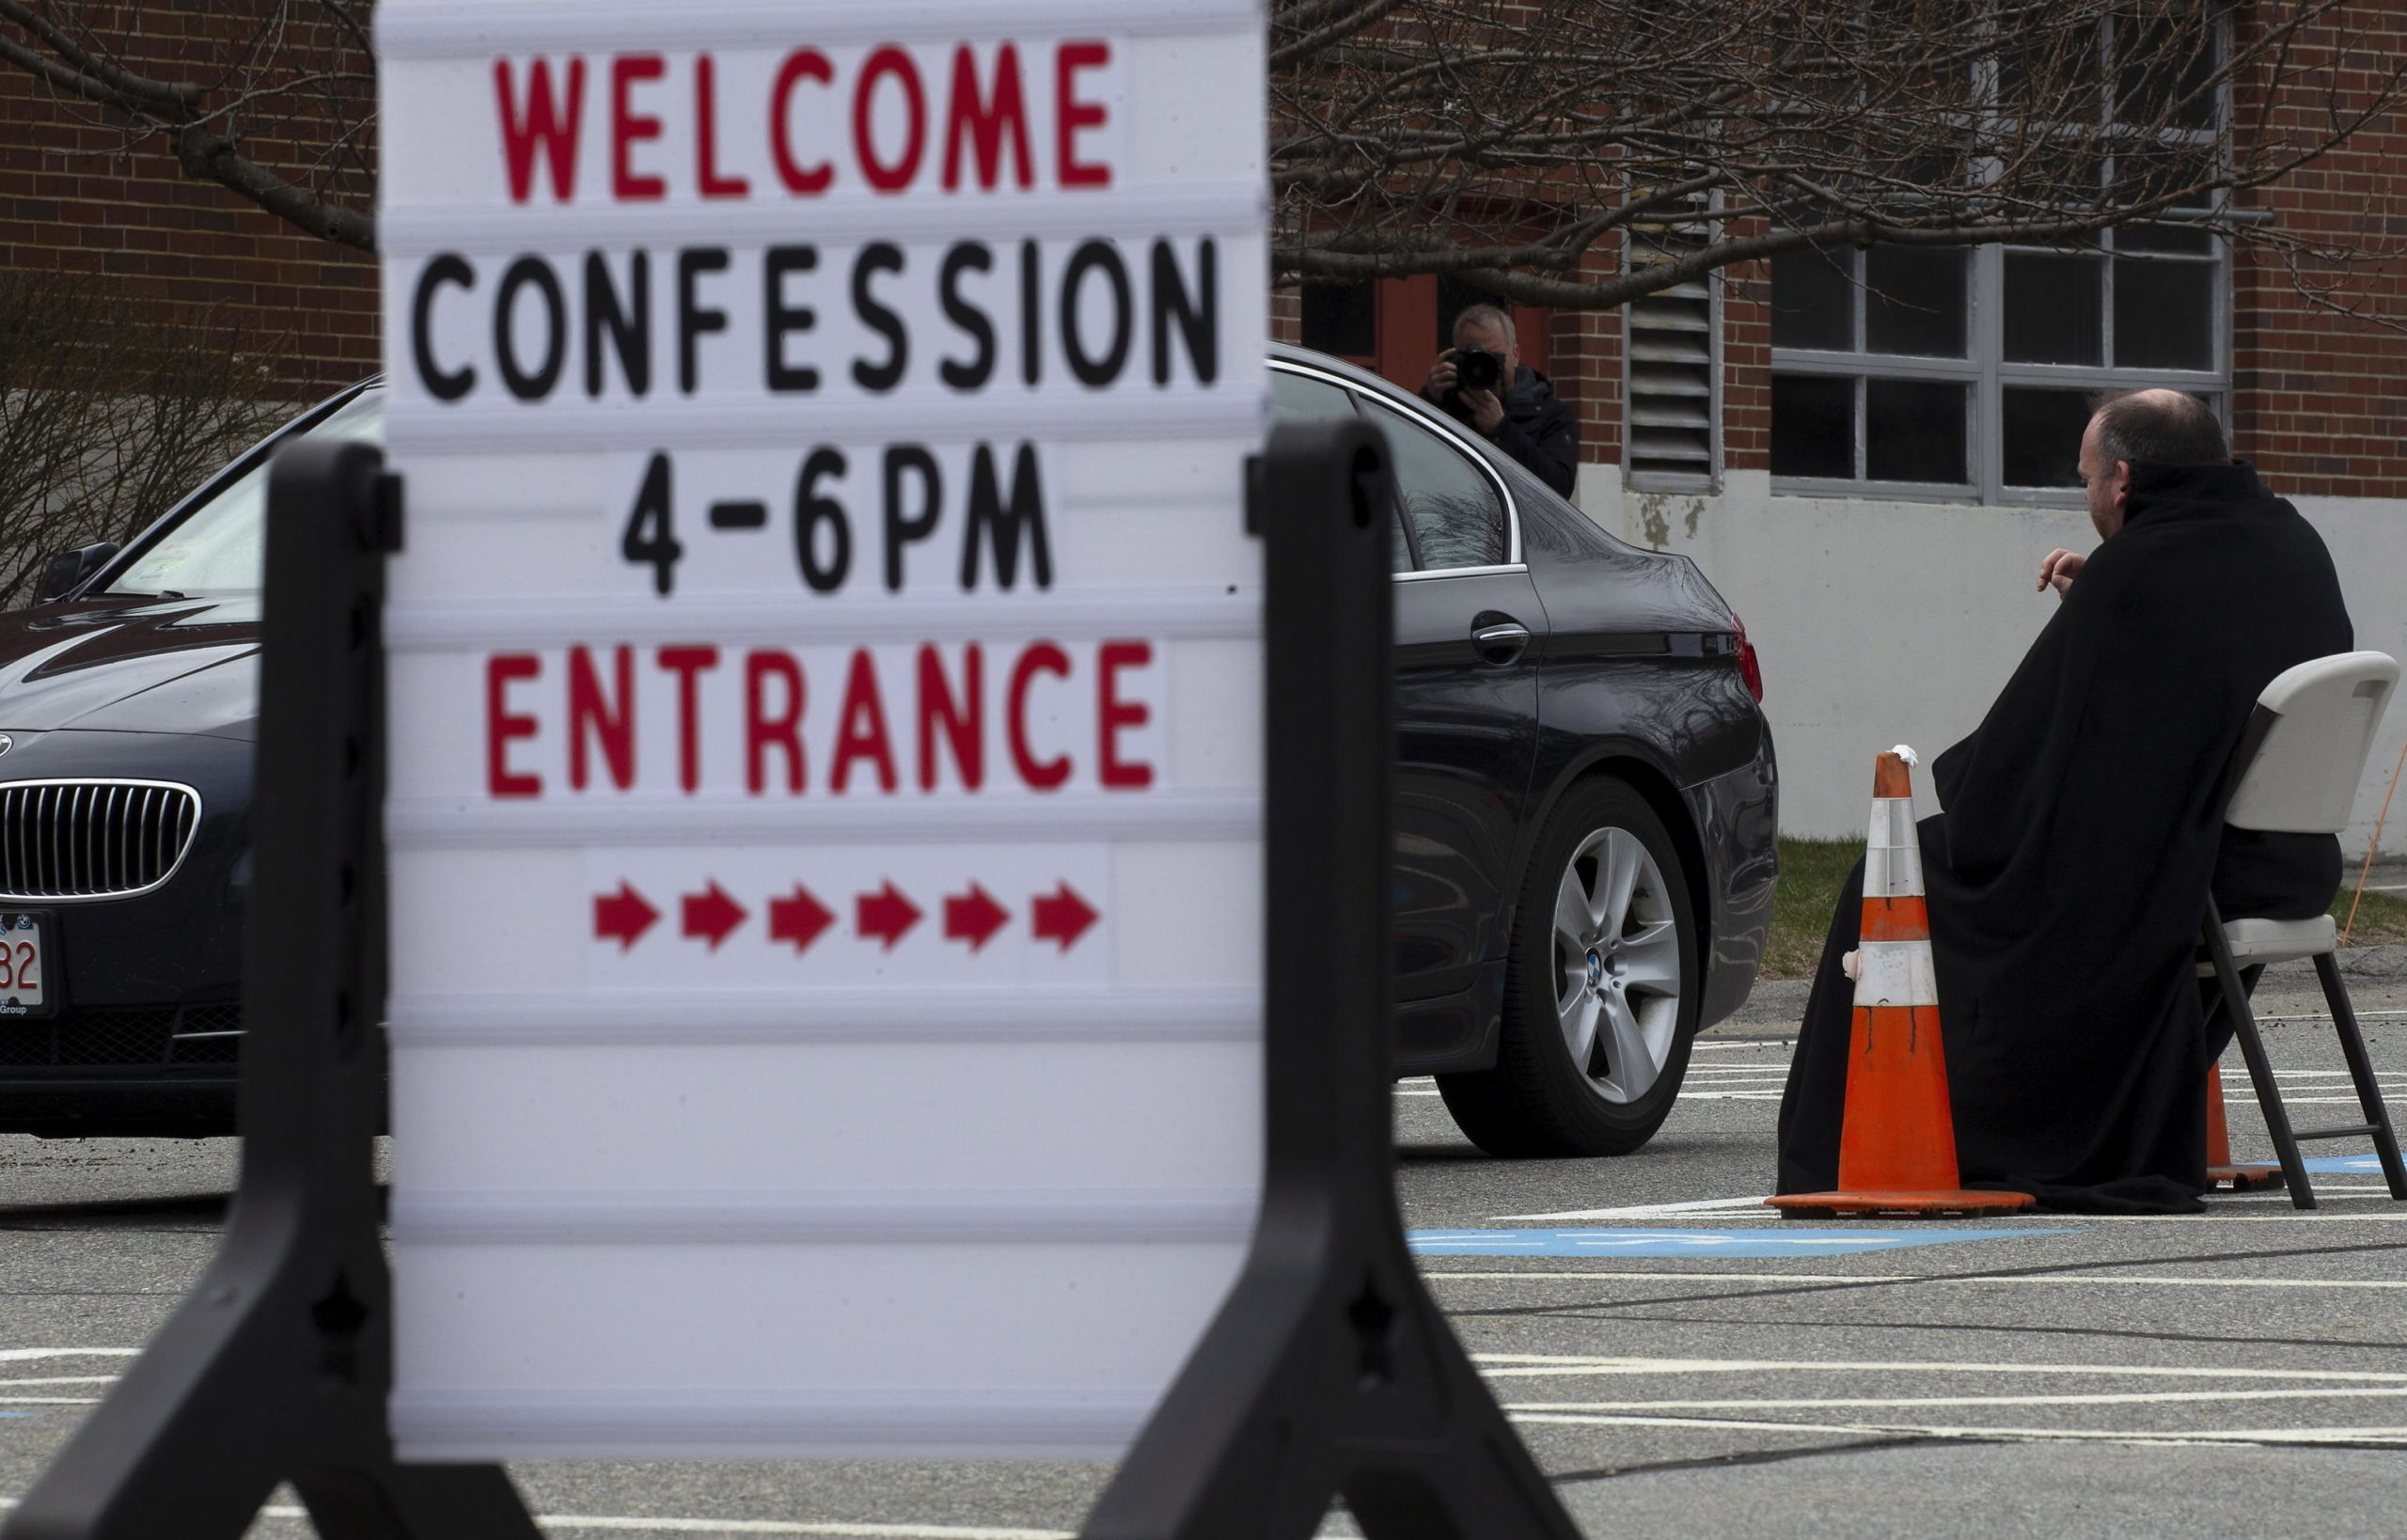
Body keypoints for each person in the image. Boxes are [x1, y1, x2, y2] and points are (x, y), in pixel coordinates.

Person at [1774, 389, 2352, 1214]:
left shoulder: (2141, 570)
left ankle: (1919, 1138)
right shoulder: (2291, 539)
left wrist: (1965, 784)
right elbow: (2184, 689)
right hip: (2287, 864)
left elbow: (2014, 774)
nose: (2084, 497)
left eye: (2084, 479)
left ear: (2121, 480)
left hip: (2192, 874)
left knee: (1910, 866)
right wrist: (2101, 608)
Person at [1419, 304, 1581, 497]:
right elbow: (1404, 463)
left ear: (1515, 355)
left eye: (1493, 357)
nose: (1483, 368)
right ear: (1456, 358)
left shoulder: (1551, 415)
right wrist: (1429, 399)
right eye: (1474, 358)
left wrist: (1502, 429)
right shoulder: (1442, 407)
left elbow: (1559, 489)